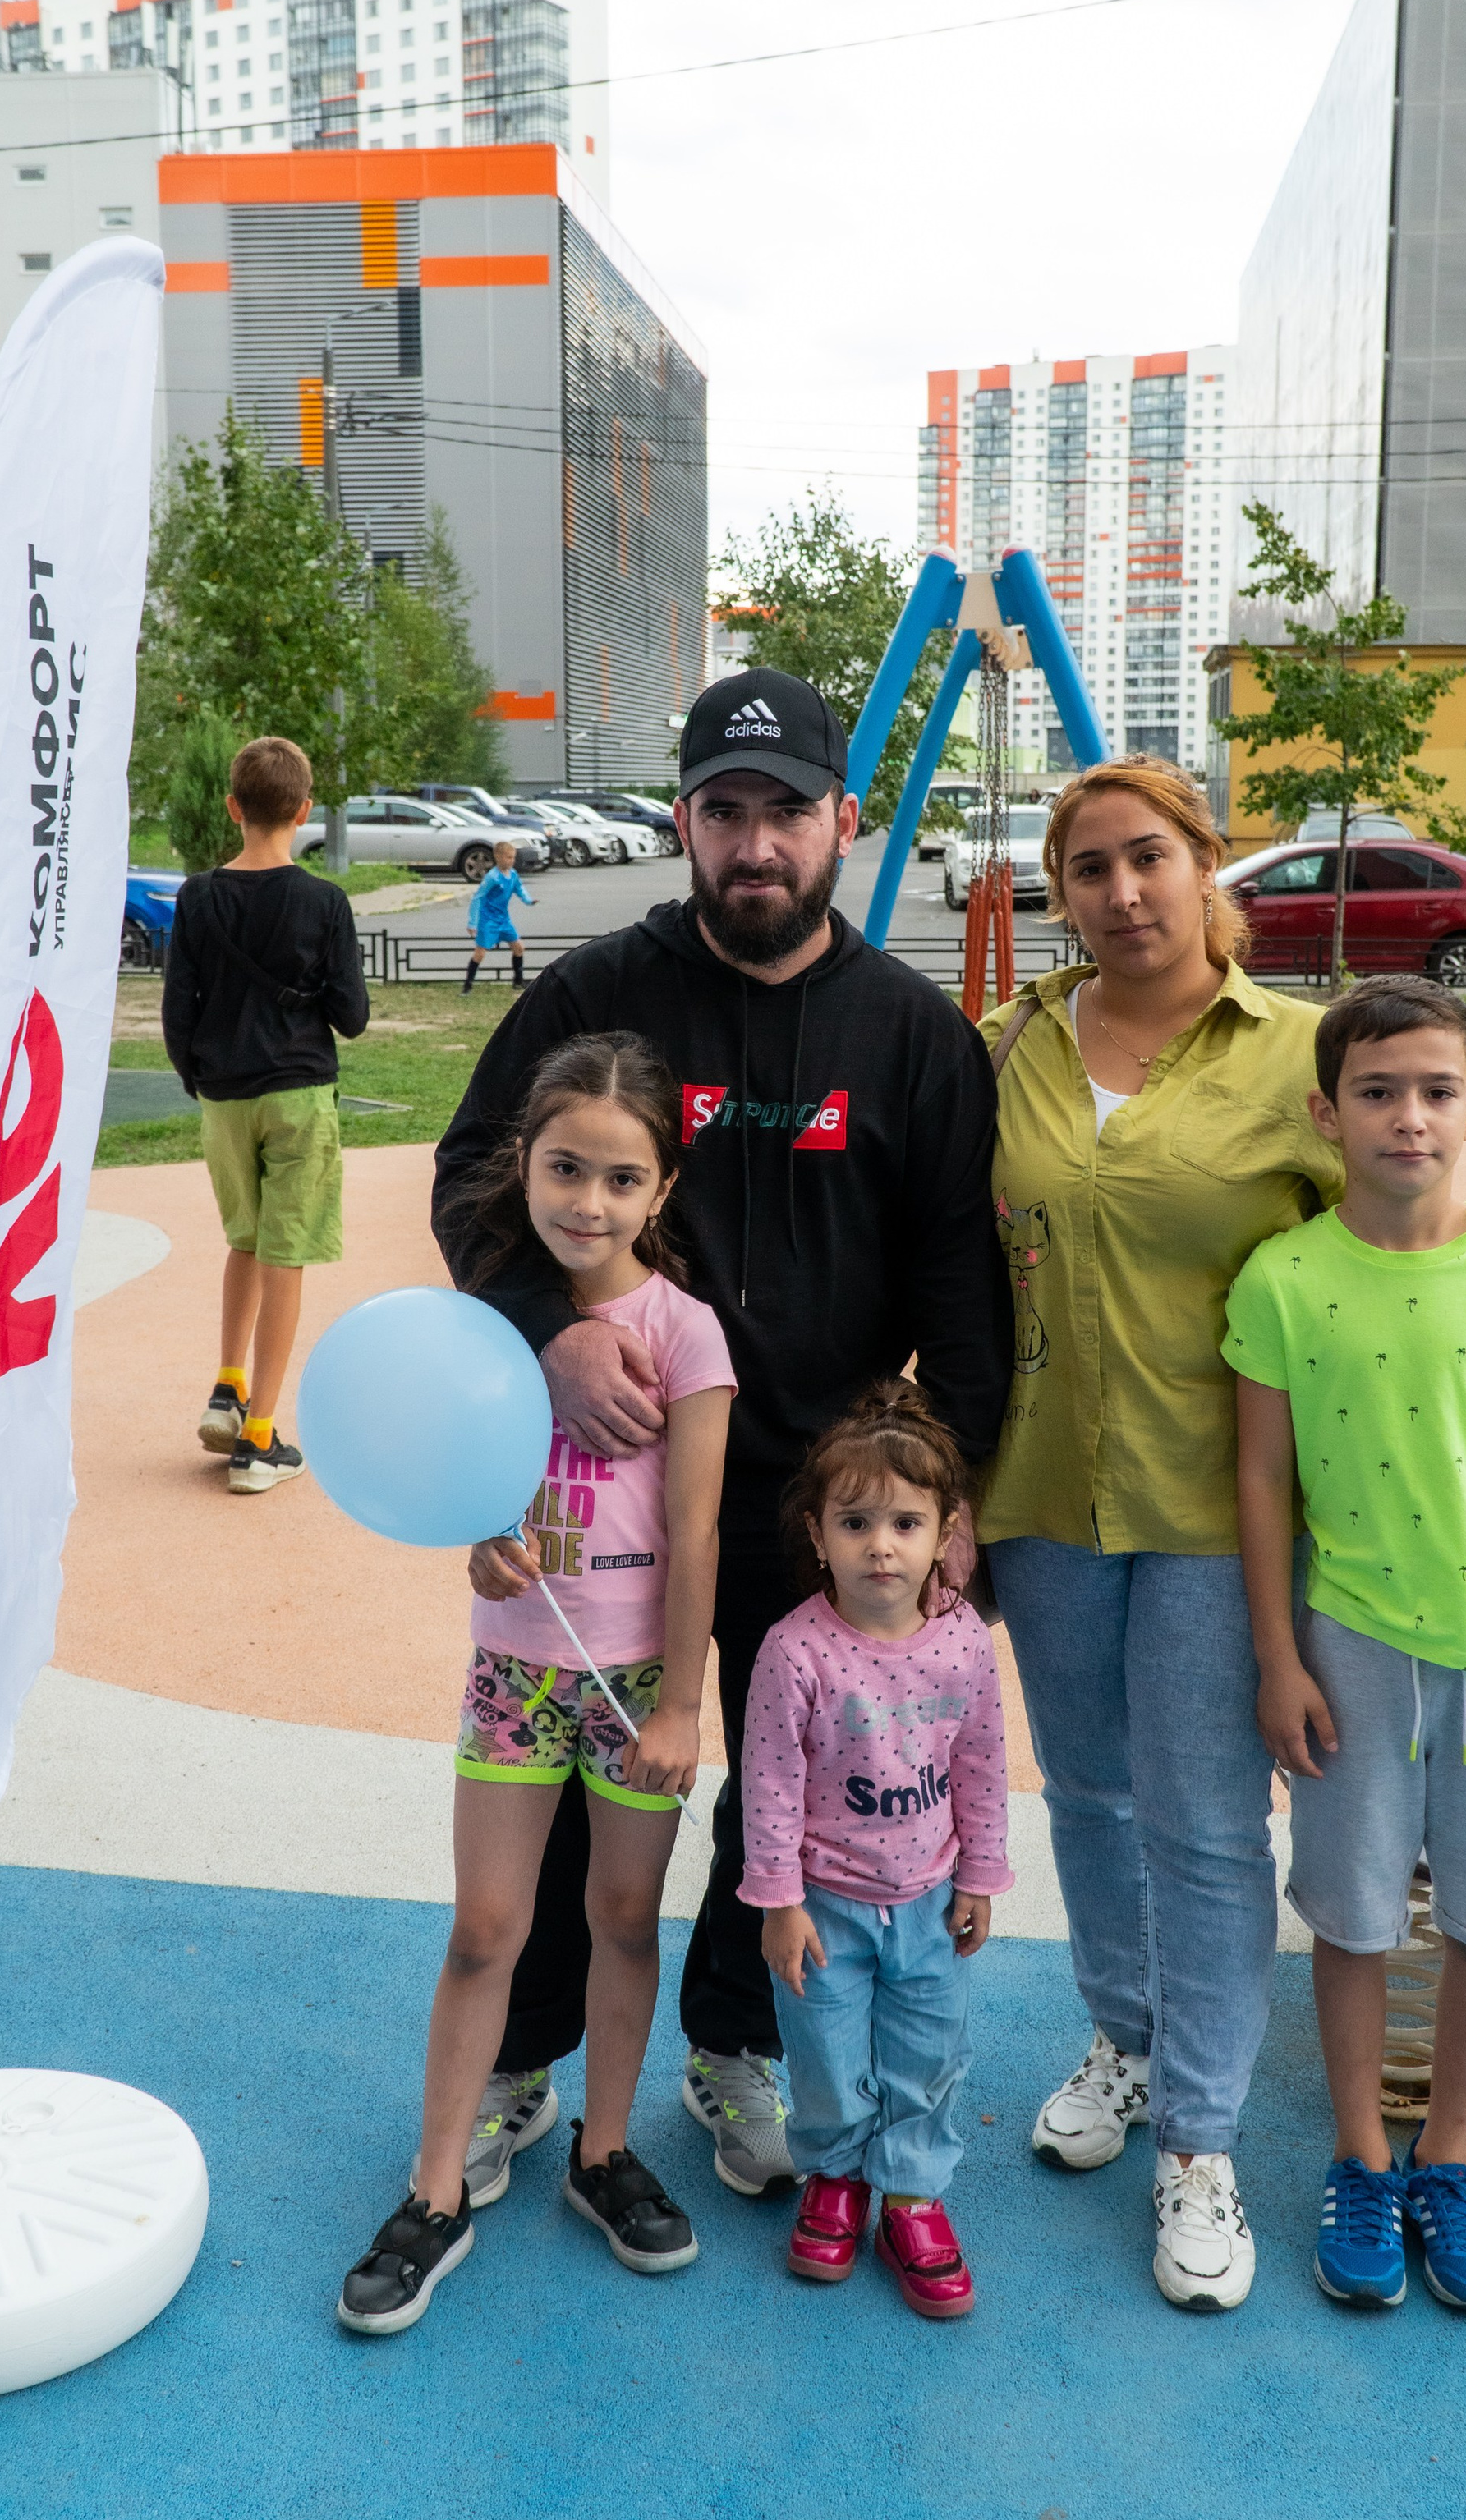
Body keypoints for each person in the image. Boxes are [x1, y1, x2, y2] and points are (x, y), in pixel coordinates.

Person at [975, 758, 1466, 2314]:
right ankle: (1124, 2039)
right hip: (1043, 1489)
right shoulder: (1012, 1048)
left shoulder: (1300, 1058)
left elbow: (1425, 1251)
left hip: (1212, 1508)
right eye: (1090, 869)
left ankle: (1201, 2140)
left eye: (1150, 860)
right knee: (1091, 1800)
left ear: (1208, 870)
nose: (1122, 893)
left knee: (1201, 1819)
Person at [434, 667, 1011, 2207]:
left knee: (792, 1793)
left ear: (843, 823)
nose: (757, 845)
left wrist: (954, 1513)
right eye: (726, 812)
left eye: (789, 814)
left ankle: (734, 2039)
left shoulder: (913, 1039)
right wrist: (542, 1327)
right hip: (612, 1488)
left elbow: (962, 1295)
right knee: (569, 1794)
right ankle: (521, 2068)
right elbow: (468, 1185)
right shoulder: (591, 998)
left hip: (828, 1504)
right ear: (685, 821)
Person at [336, 1034, 734, 2334]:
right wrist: (482, 1537)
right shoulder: (495, 1326)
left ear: (662, 1190)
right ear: (524, 1165)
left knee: (624, 1920)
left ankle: (604, 2154)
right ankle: (436, 2187)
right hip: (516, 1674)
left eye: (622, 1180)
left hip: (633, 1688)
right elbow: (467, 1470)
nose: (588, 1203)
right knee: (485, 1930)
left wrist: (681, 1704)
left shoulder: (684, 1333)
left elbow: (698, 1529)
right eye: (565, 1169)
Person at [1228, 975, 1466, 2316]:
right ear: (1328, 1113)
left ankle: (1448, 2157)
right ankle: (1361, 2157)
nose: (1409, 1116)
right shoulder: (1282, 1278)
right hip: (1354, 1650)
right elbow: (1263, 1484)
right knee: (1350, 1911)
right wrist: (1278, 1656)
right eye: (1378, 1092)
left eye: (1437, 1091)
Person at [742, 1384, 1010, 2320]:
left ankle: (910, 2192)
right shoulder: (793, 1651)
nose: (881, 1545)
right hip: (823, 1906)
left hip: (931, 1901)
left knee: (928, 2051)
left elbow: (981, 1759)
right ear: (817, 1534)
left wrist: (980, 1873)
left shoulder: (963, 1642)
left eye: (905, 1522)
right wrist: (779, 1901)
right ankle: (836, 2177)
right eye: (855, 1522)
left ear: (945, 1533)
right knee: (820, 2052)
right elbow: (769, 1785)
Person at [161, 734, 369, 1495]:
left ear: (233, 806)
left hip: (223, 1099)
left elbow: (176, 1011)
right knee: (287, 1257)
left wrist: (202, 1080)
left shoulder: (197, 896)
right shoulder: (323, 903)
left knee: (244, 1243)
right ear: (305, 811)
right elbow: (353, 1017)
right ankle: (258, 1439)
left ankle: (227, 1385)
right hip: (298, 1095)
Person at [464, 842, 535, 993]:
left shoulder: (513, 874)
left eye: (513, 857)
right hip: (488, 920)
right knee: (480, 953)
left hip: (504, 919)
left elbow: (519, 889)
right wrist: (472, 922)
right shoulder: (492, 877)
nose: (511, 861)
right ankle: (467, 985)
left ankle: (518, 980)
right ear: (498, 857)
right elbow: (477, 898)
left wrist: (528, 900)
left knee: (519, 948)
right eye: (508, 857)